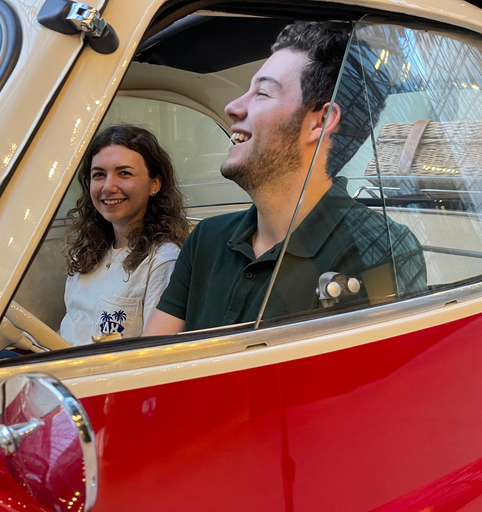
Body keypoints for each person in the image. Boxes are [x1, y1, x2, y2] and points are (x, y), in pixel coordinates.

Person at [144, 21, 427, 335]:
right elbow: (151, 356)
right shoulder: (206, 239)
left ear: (320, 122)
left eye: (262, 93)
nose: (233, 106)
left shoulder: (378, 247)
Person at [59, 124, 189, 346]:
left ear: (154, 184)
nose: (108, 186)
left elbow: (157, 353)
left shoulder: (162, 260)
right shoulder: (86, 252)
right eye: (99, 175)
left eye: (124, 174)